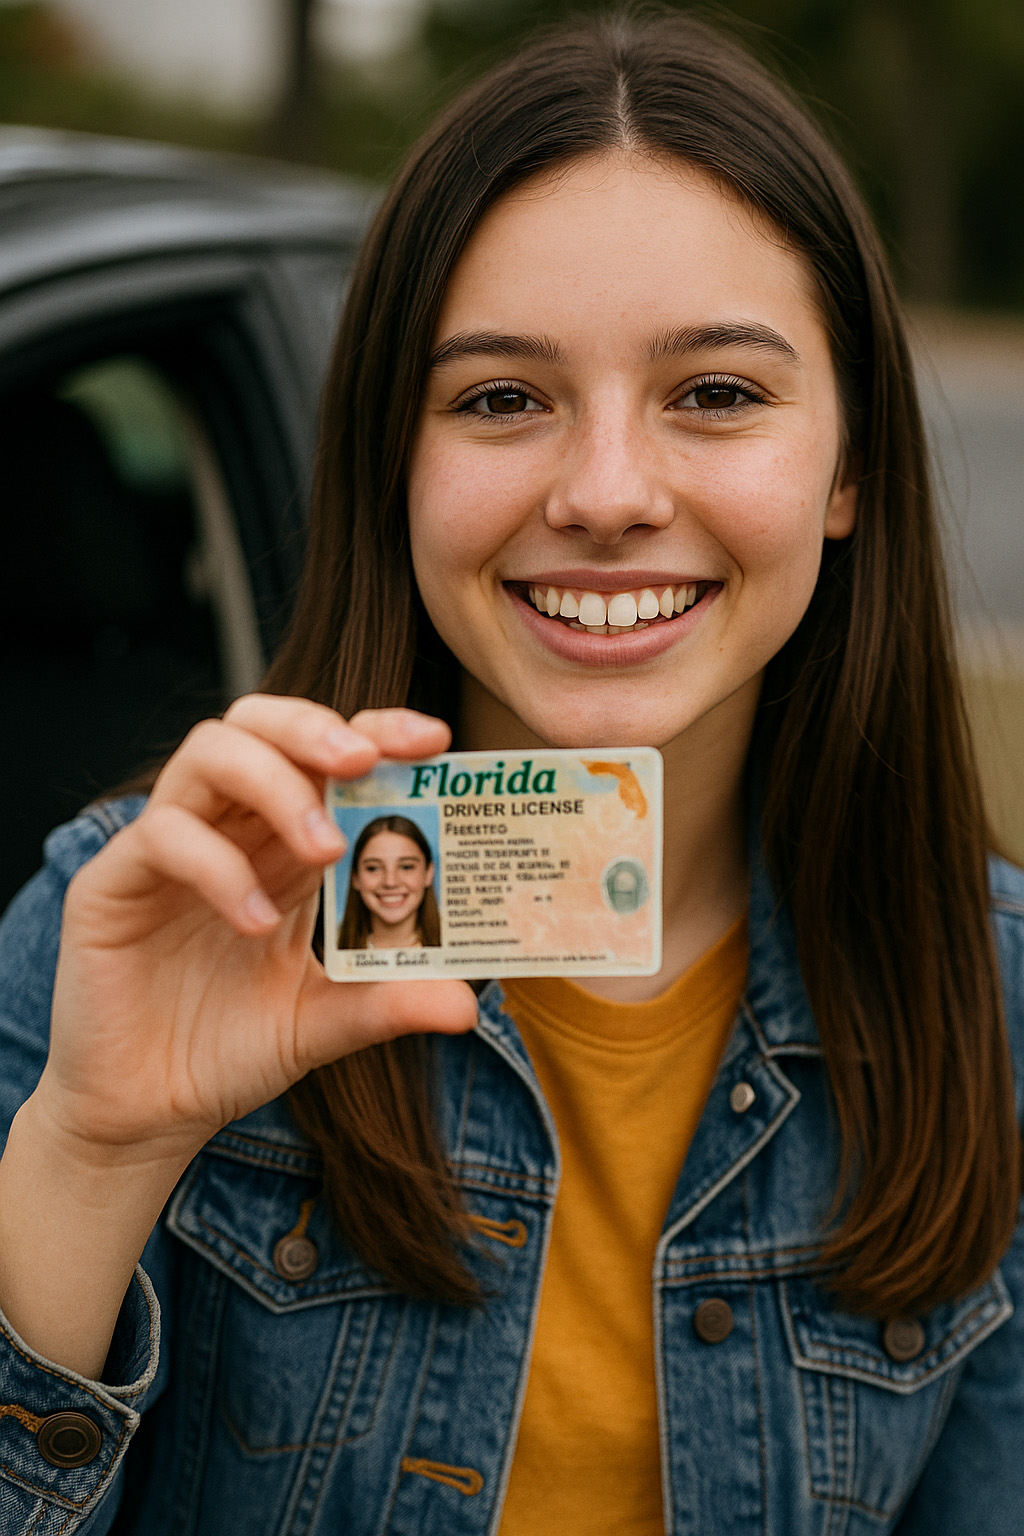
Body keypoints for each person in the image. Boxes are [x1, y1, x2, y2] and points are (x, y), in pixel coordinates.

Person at [0, 11, 1021, 1534]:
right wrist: (97, 1147)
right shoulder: (131, 928)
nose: (607, 493)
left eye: (718, 395)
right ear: (393, 458)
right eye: (499, 399)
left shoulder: (993, 992)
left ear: (848, 468)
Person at [337, 815, 441, 949]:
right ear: (355, 877)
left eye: (406, 867)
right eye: (373, 868)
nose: (390, 882)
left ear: (429, 873)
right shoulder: (326, 955)